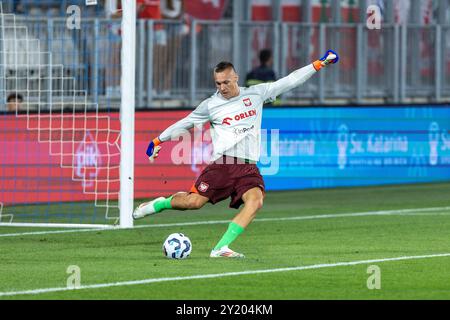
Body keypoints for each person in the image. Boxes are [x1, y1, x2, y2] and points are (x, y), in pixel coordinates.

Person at [133, 50, 339, 258]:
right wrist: (159, 139)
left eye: (226, 82)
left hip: (248, 167)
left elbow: (290, 80)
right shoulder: (211, 105)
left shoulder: (257, 93)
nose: (222, 88)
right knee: (192, 203)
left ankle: (220, 248)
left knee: (256, 201)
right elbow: (186, 123)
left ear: (236, 78)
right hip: (222, 165)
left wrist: (318, 64)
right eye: (218, 83)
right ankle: (158, 204)